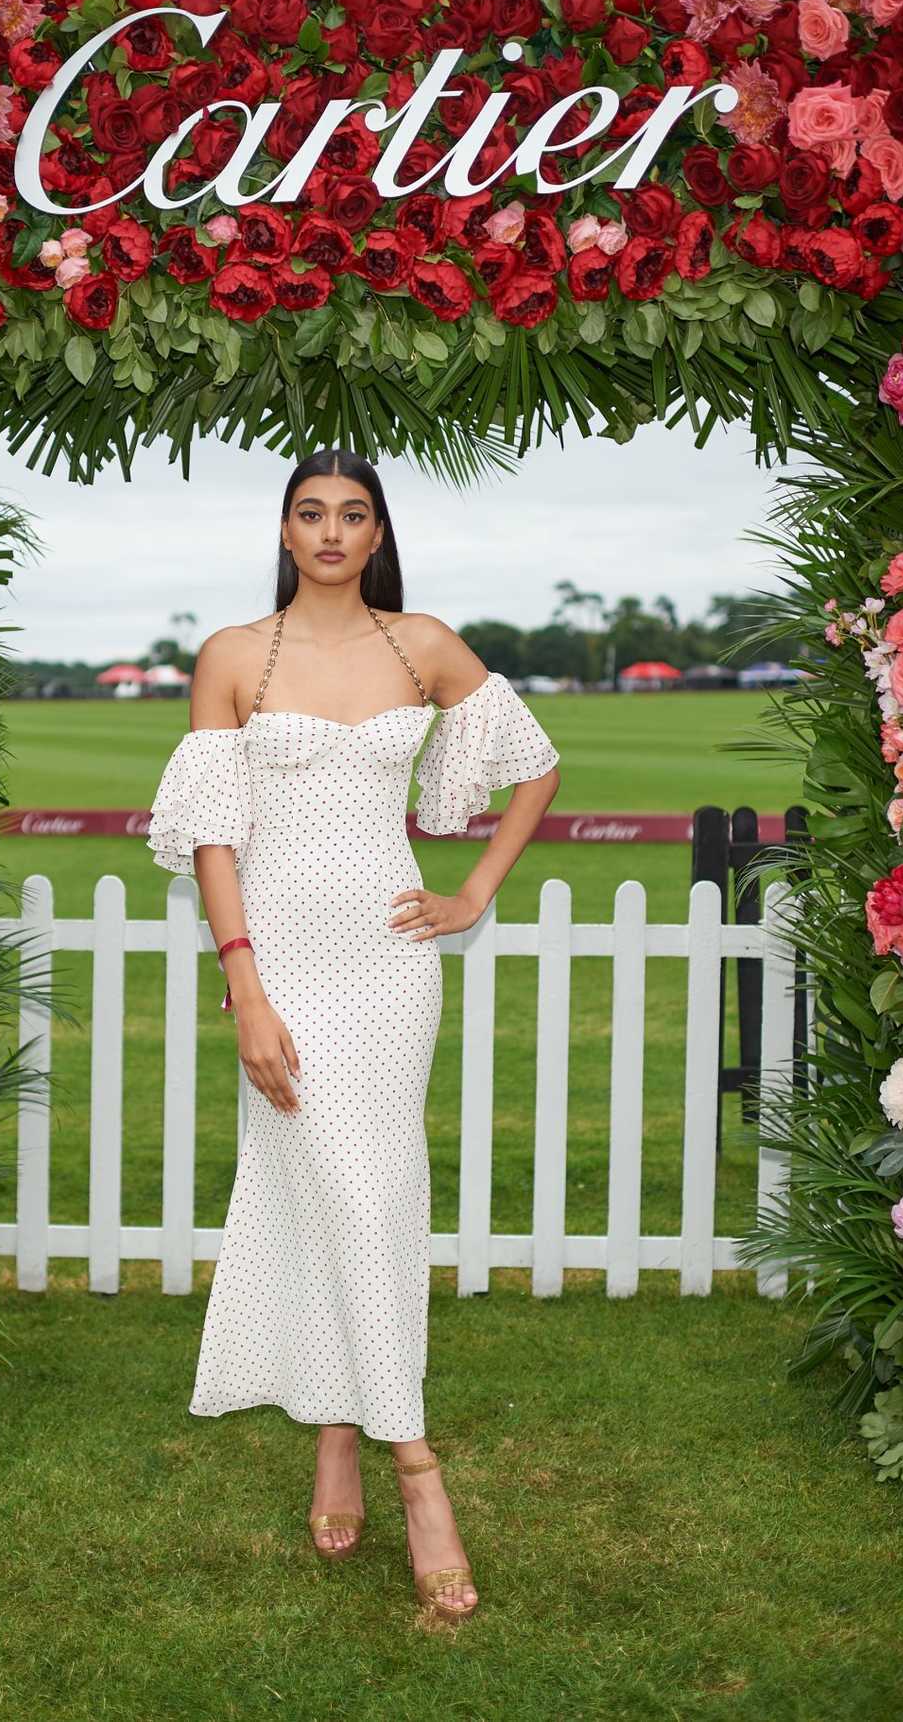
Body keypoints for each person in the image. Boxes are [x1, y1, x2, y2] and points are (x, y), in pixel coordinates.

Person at [146, 448, 560, 1622]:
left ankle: (397, 1458)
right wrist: (246, 987)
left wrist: (471, 891)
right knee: (318, 1193)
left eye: (353, 514)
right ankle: (359, 1441)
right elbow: (215, 838)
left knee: (369, 1196)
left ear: (376, 535)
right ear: (284, 531)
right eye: (310, 512)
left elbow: (531, 767)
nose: (330, 531)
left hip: (389, 965)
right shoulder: (231, 657)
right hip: (277, 964)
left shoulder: (420, 644)